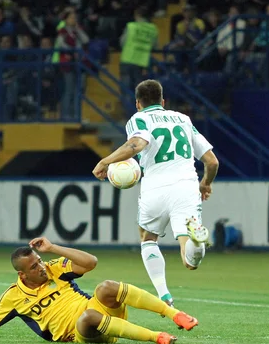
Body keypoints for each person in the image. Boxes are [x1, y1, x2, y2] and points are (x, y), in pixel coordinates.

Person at [0, 237, 198, 344]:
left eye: (40, 261)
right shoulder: (13, 297)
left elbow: (90, 262)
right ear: (22, 274)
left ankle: (173, 314)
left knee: (106, 287)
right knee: (87, 318)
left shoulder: (54, 268)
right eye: (35, 266)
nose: (42, 267)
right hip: (83, 332)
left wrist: (53, 248)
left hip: (104, 313)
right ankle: (156, 337)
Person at [92, 79, 219, 307]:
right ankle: (197, 244)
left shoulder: (138, 119)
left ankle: (164, 296)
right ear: (163, 101)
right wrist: (205, 184)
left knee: (148, 239)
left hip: (155, 188)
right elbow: (212, 161)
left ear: (138, 103)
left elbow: (136, 145)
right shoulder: (183, 119)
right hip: (185, 186)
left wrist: (105, 161)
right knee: (189, 260)